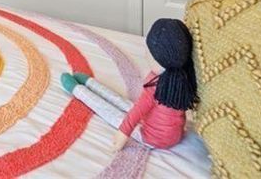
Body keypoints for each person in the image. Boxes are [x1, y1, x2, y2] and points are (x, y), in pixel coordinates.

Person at [60, 18, 198, 151]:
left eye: (150, 54)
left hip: (151, 137)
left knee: (108, 110)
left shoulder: (156, 85)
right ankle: (89, 82)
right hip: (174, 136)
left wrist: (123, 133)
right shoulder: (183, 79)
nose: (146, 55)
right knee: (122, 103)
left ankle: (77, 89)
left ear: (161, 60)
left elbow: (138, 110)